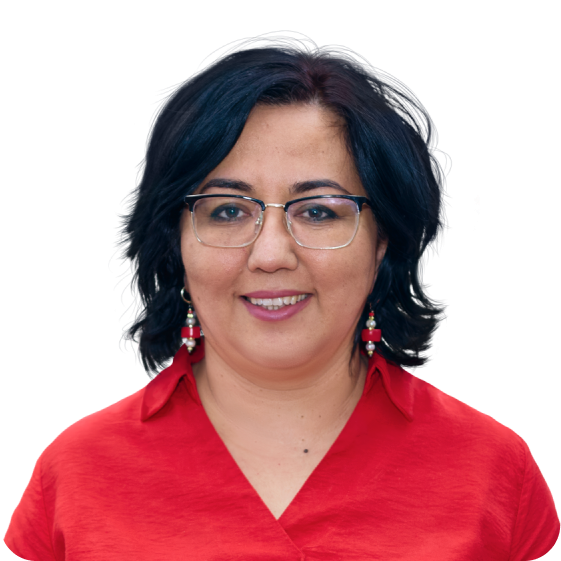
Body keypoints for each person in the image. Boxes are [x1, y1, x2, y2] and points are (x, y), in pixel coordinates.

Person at [4, 32, 559, 560]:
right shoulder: (75, 475)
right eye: (227, 210)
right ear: (174, 242)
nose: (270, 254)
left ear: (383, 242)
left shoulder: (494, 474)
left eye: (318, 212)